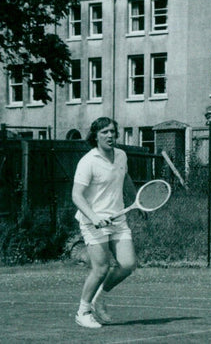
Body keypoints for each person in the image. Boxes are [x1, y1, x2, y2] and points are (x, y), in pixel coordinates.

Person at [72, 117, 138, 328]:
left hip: (118, 219)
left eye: (112, 132)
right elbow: (77, 195)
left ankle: (99, 298)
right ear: (96, 136)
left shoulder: (121, 155)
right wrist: (94, 217)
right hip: (92, 221)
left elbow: (125, 178)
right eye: (105, 132)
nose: (110, 136)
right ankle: (83, 312)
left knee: (127, 264)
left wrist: (137, 199)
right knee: (100, 268)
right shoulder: (88, 161)